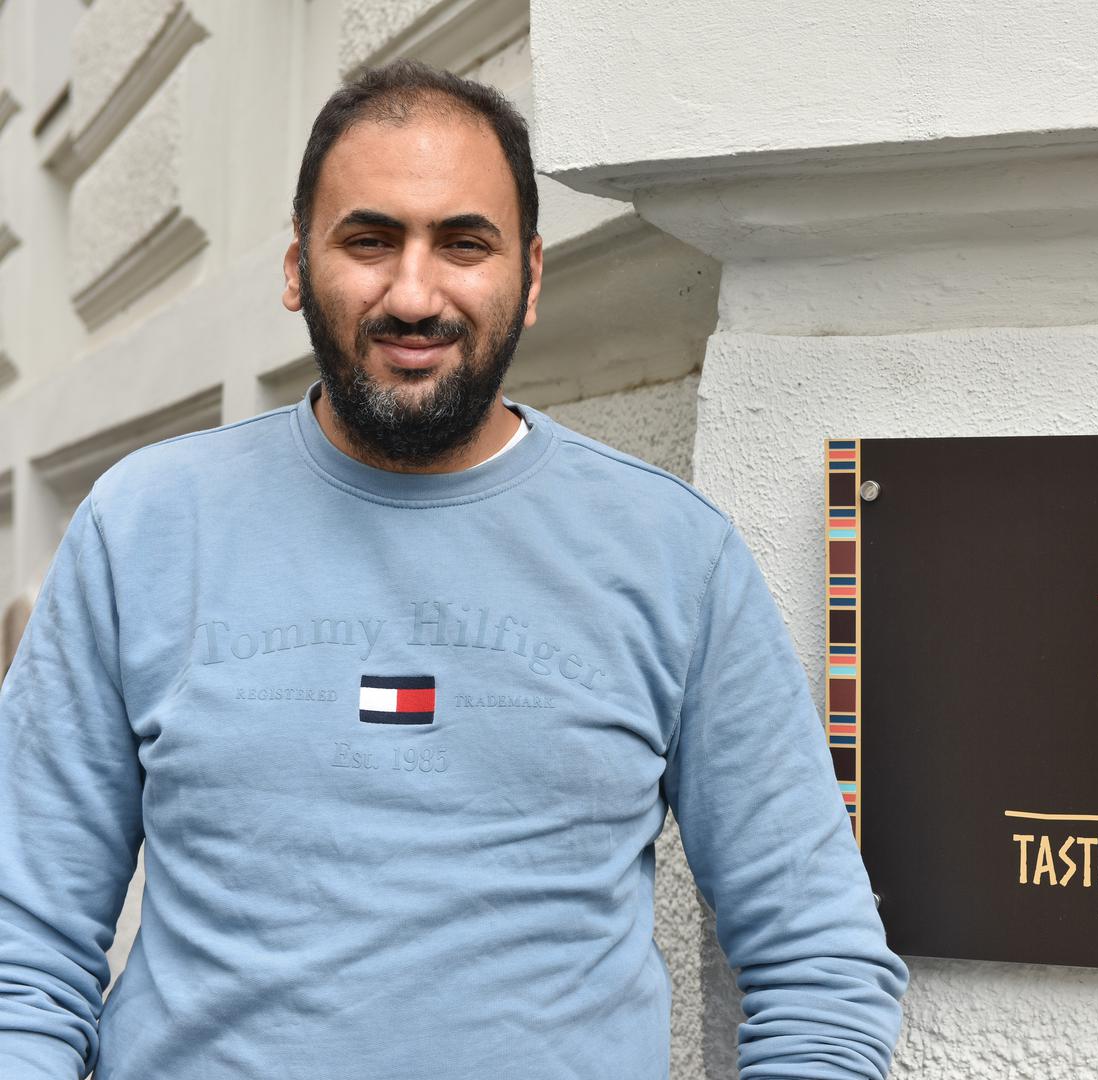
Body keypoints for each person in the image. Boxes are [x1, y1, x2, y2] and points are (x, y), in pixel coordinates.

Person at [0, 60, 906, 1080]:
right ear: (296, 267)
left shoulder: (671, 555)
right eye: (369, 240)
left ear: (531, 277)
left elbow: (819, 964)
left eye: (464, 244)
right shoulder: (143, 528)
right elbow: (20, 951)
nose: (413, 294)